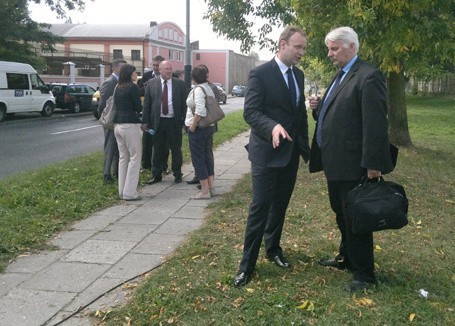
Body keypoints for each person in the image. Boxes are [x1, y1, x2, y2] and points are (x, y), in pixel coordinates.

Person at [308, 27, 394, 292]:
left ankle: (364, 275)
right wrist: (318, 109)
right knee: (341, 213)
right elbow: (338, 114)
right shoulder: (341, 75)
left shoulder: (369, 76)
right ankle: (346, 257)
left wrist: (373, 166)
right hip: (335, 162)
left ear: (351, 47)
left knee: (356, 218)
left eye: (334, 48)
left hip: (354, 163)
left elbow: (375, 125)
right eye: (329, 48)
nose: (329, 53)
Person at [233, 26, 311, 287]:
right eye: (298, 47)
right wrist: (272, 127)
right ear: (283, 44)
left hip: (290, 154)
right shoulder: (260, 73)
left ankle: (273, 248)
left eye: (304, 48)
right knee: (260, 208)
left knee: (280, 206)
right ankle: (247, 265)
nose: (302, 52)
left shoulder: (298, 76)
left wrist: (306, 146)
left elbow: (297, 114)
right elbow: (251, 112)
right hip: (266, 153)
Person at [141, 60, 187, 184]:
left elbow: (184, 104)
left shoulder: (180, 84)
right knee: (158, 149)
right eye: (165, 69)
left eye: (169, 69)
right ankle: (157, 174)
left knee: (176, 149)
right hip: (158, 122)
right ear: (159, 70)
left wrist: (185, 121)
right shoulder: (152, 83)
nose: (168, 71)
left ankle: (177, 173)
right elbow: (147, 104)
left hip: (174, 121)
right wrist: (145, 121)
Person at [185, 65, 216, 199]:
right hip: (209, 127)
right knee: (207, 157)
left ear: (193, 77)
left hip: (199, 129)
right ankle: (210, 187)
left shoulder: (198, 90)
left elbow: (200, 110)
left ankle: (204, 191)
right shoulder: (209, 88)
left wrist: (192, 125)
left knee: (198, 159)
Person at [113, 64, 143, 201]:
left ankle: (122, 190)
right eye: (134, 72)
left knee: (123, 157)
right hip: (130, 124)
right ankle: (130, 192)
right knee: (135, 157)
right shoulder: (133, 87)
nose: (136, 75)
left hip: (117, 125)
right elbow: (138, 106)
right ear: (130, 74)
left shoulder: (117, 87)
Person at [99, 58, 126, 184]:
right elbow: (104, 103)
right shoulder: (110, 82)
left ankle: (116, 172)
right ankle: (106, 173)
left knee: (118, 147)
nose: (124, 70)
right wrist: (105, 117)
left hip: (119, 120)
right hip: (111, 120)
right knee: (110, 147)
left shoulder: (120, 81)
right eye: (122, 67)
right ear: (114, 68)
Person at [139, 55, 166, 171]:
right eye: (154, 65)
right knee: (147, 141)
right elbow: (140, 91)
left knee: (163, 144)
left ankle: (162, 165)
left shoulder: (169, 77)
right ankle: (146, 165)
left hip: (164, 116)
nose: (155, 68)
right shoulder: (147, 76)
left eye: (157, 65)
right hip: (150, 115)